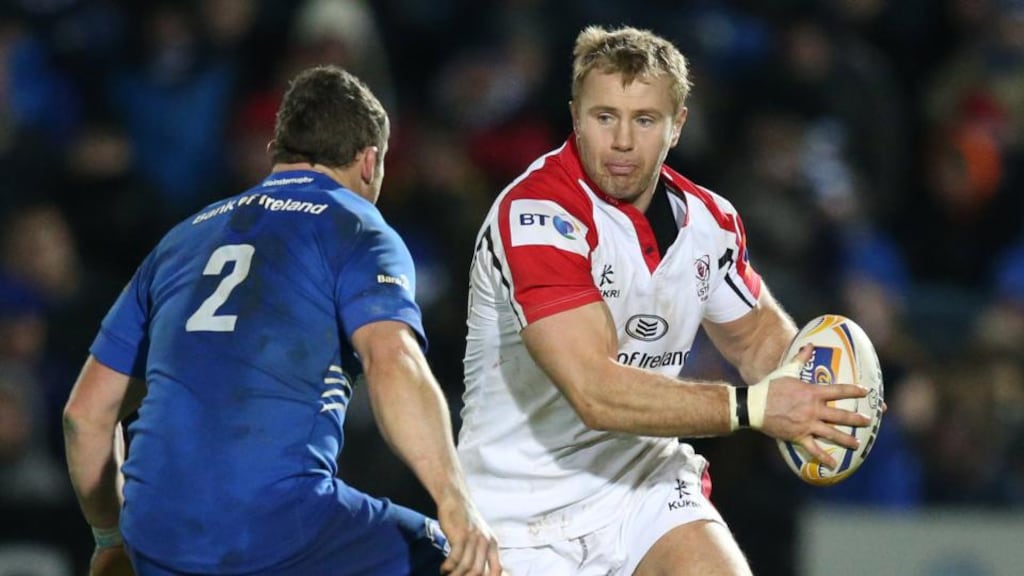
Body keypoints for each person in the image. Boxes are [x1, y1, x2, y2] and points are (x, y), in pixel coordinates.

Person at [457, 26, 870, 576]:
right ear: (576, 117)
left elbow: (756, 340)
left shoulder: (711, 222)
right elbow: (595, 392)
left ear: (677, 126)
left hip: (642, 484)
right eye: (605, 117)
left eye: (645, 120)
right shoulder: (537, 216)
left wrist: (826, 395)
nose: (622, 141)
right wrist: (753, 407)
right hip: (516, 510)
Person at [62, 64, 503, 576]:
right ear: (370, 162)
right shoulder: (355, 227)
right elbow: (392, 359)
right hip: (276, 530)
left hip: (156, 538)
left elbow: (85, 415)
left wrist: (111, 537)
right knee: (468, 564)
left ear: (278, 152)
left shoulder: (181, 239)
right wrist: (455, 501)